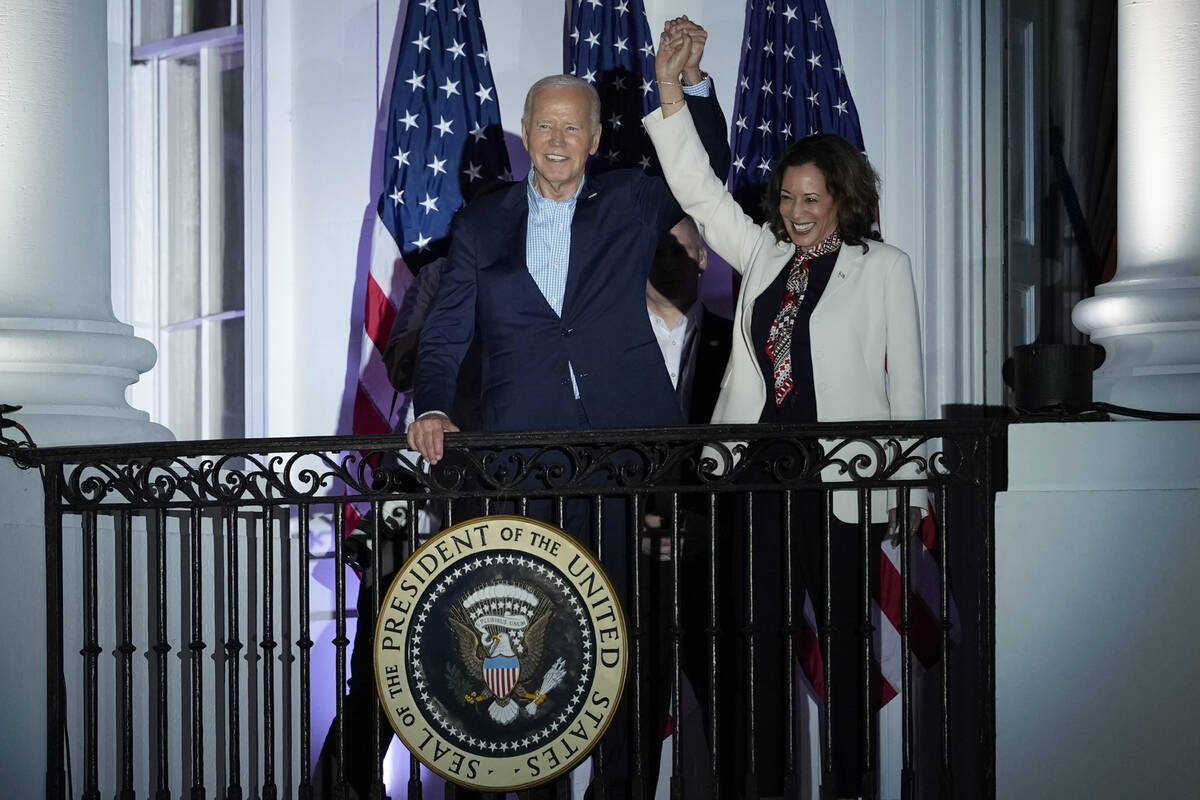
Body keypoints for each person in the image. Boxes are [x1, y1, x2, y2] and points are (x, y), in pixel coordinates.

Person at [406, 19, 730, 797]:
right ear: (525, 135)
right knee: (544, 637)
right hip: (523, 461)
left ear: (592, 139)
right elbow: (448, 331)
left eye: (571, 127)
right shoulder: (482, 221)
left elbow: (706, 169)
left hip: (627, 455)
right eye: (544, 126)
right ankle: (540, 785)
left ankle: (621, 789)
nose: (557, 140)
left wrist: (686, 89)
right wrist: (432, 407)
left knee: (627, 636)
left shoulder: (630, 198)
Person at [644, 26, 928, 800]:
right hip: (753, 477)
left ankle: (850, 785)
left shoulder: (883, 268)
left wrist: (909, 491)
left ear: (842, 197)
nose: (797, 212)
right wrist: (671, 90)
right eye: (788, 197)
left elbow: (907, 385)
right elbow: (699, 190)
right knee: (755, 649)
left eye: (812, 199)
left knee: (843, 650)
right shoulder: (764, 251)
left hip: (841, 484)